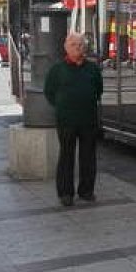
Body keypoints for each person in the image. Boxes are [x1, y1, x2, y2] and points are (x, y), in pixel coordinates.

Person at [44, 33, 103, 207]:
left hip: (88, 119)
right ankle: (65, 193)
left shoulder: (92, 69)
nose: (78, 47)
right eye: (74, 44)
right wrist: (62, 106)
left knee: (88, 157)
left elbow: (98, 90)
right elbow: (49, 92)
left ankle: (86, 191)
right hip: (66, 120)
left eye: (80, 44)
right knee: (66, 156)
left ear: (85, 47)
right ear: (66, 47)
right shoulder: (57, 69)